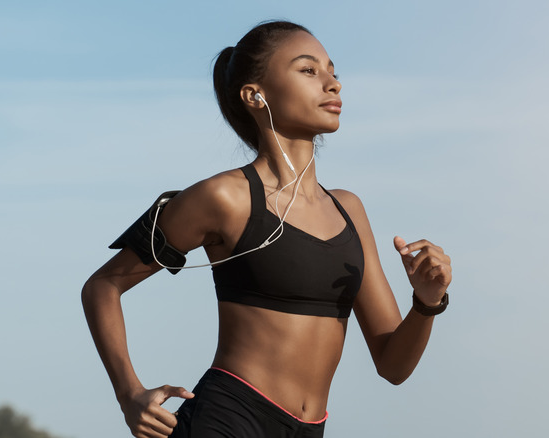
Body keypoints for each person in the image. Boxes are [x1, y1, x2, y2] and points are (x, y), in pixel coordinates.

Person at [82, 20, 452, 438]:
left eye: (333, 71)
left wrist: (426, 302)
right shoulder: (225, 197)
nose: (333, 84)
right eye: (309, 70)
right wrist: (128, 393)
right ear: (254, 95)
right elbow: (103, 285)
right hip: (229, 420)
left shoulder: (349, 210)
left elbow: (393, 365)